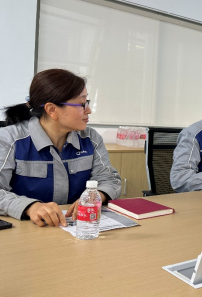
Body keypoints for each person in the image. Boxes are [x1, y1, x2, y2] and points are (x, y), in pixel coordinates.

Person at [0, 69, 122, 227]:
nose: (89, 110)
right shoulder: (9, 139)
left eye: (87, 102)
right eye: (82, 104)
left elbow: (110, 179)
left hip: (77, 228)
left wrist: (96, 196)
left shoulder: (91, 138)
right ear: (52, 109)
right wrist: (30, 207)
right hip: (27, 229)